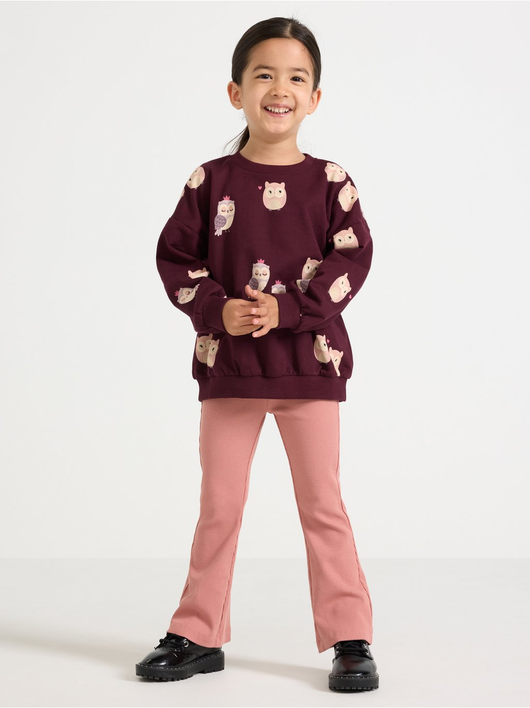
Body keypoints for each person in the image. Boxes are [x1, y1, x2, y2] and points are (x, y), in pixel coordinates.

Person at [135, 16, 379, 693]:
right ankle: (197, 633)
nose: (280, 89)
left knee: (323, 505)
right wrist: (217, 309)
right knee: (219, 506)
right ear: (235, 91)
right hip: (232, 373)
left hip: (309, 370)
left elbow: (353, 259)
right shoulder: (208, 181)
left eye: (296, 77)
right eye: (264, 74)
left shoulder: (331, 182)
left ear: (315, 97)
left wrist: (291, 310)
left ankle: (351, 637)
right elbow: (175, 257)